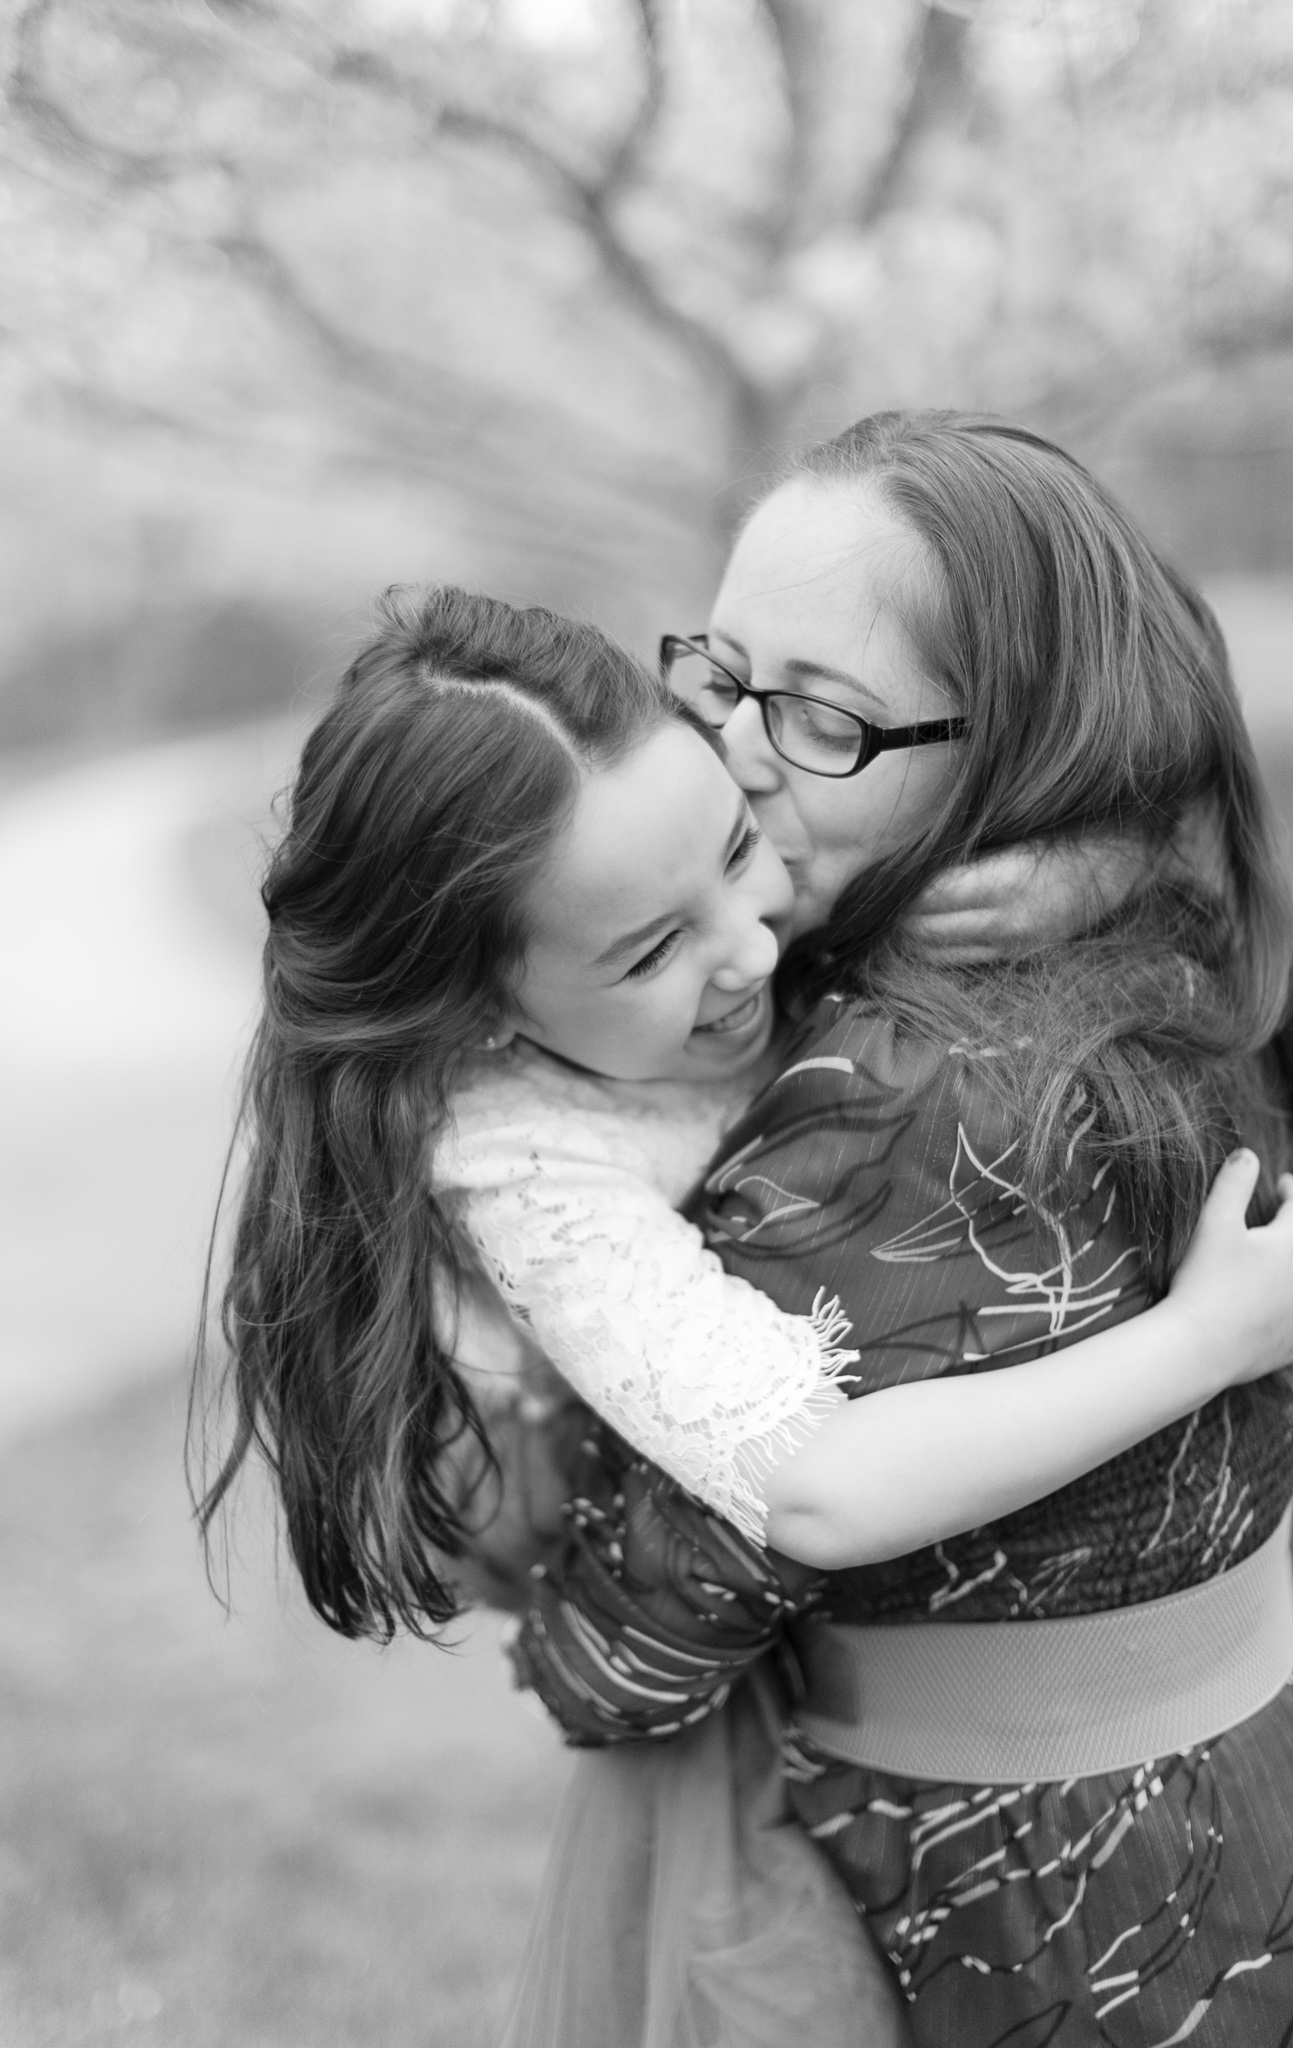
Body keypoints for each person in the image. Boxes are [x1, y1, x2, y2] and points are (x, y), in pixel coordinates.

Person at [192, 567, 1293, 2044]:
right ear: (479, 1010)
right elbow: (821, 1493)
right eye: (651, 951)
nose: (751, 948)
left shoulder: (716, 922)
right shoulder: (524, 1163)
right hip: (714, 1710)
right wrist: (1205, 1339)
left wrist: (1087, 873)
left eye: (733, 847)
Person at [508, 411, 1293, 2045]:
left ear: (1027, 743)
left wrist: (524, 1544)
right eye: (719, 672)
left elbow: (636, 1649)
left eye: (816, 714)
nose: (723, 747)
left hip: (1011, 1902)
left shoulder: (889, 1101)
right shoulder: (1175, 937)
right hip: (1215, 1810)